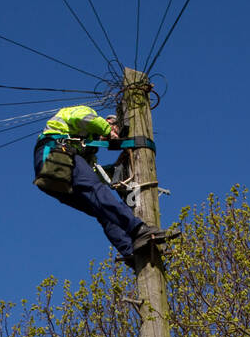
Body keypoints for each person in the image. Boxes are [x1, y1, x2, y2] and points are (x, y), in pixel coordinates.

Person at [33, 105, 166, 266]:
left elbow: (92, 176)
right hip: (56, 153)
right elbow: (83, 118)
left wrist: (117, 168)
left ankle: (130, 250)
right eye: (116, 131)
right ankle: (139, 230)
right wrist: (106, 129)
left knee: (102, 211)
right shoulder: (87, 113)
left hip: (56, 179)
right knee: (97, 192)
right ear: (109, 121)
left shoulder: (86, 151)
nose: (114, 136)